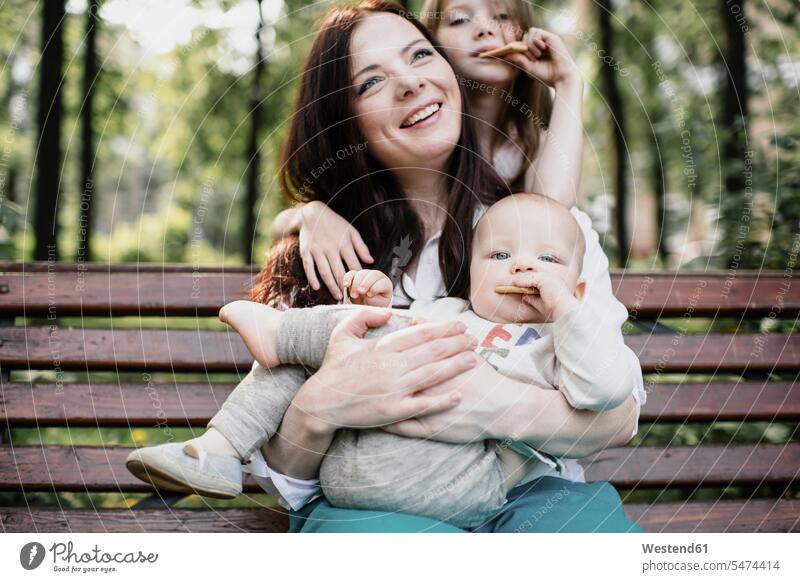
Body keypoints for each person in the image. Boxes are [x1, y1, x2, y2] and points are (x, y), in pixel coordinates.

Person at [126, 1, 644, 532]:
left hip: (525, 496)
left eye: (420, 55)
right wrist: (323, 408)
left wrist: (491, 406)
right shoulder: (321, 252)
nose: (410, 83)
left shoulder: (536, 230)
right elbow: (286, 482)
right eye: (371, 83)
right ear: (344, 124)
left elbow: (617, 413)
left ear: (450, 73)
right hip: (375, 504)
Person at [212, 194, 638, 529]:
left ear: (579, 291)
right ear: (470, 273)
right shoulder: (447, 312)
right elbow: (380, 339)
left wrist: (567, 311)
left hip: (499, 484)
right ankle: (279, 342)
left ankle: (283, 335)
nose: (523, 266)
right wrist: (366, 303)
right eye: (499, 257)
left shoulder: (563, 343)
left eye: (547, 260)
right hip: (404, 472)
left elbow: (604, 390)